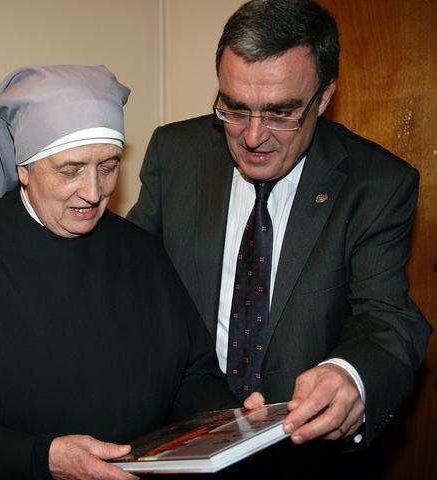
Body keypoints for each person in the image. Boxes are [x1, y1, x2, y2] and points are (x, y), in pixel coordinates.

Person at [0, 65, 237, 480]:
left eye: (108, 166)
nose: (93, 192)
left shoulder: (142, 251)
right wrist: (41, 458)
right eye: (70, 170)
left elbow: (192, 374)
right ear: (24, 169)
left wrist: (231, 422)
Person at [127, 0, 431, 475]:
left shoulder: (376, 183)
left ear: (323, 97)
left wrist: (349, 375)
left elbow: (387, 317)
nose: (252, 137)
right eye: (234, 108)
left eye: (280, 113)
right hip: (180, 444)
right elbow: (129, 285)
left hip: (305, 457)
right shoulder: (174, 154)